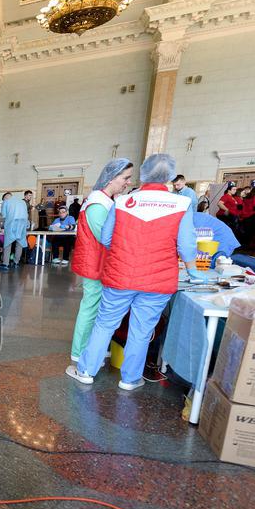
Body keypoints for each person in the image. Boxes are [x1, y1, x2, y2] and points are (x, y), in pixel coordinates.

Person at [67, 154, 199, 391]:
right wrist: (194, 271)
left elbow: (107, 238)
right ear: (169, 177)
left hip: (121, 275)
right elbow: (187, 245)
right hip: (158, 279)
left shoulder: (123, 202)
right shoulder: (181, 204)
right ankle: (130, 379)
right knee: (142, 329)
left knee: (104, 323)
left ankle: (86, 370)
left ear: (143, 174)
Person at [69, 159, 133, 361]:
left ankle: (91, 347)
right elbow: (107, 238)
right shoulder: (98, 203)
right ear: (112, 177)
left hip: (99, 262)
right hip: (95, 263)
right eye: (125, 178)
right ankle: (80, 352)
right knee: (91, 307)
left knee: (95, 307)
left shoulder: (104, 200)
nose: (128, 182)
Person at [0, 192, 29, 272]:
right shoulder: (22, 202)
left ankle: (5, 264)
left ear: (4, 198)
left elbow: (4, 215)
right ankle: (16, 263)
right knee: (20, 243)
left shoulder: (6, 202)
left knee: (8, 243)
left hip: (12, 223)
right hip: (23, 223)